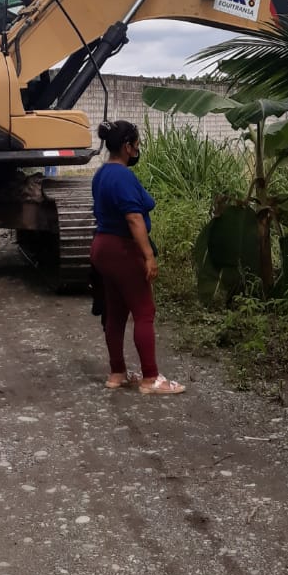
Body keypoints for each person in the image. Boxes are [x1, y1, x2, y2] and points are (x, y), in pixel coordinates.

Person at [89, 120, 185, 395]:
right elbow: (133, 218)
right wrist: (148, 256)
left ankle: (117, 373)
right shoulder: (123, 177)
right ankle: (151, 378)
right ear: (127, 146)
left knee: (116, 311)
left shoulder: (101, 174)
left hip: (102, 247)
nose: (137, 150)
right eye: (136, 145)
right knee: (144, 311)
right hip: (122, 249)